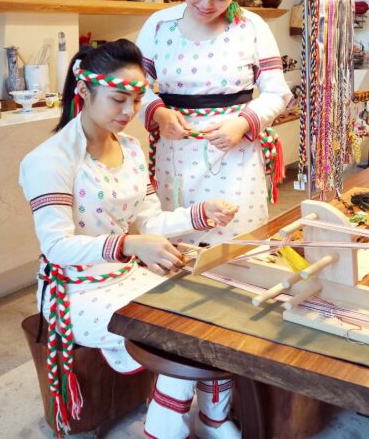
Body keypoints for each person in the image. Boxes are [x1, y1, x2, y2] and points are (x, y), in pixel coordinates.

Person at [18, 40, 239, 438]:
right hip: (75, 291)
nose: (129, 112)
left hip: (126, 274)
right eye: (118, 100)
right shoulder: (49, 161)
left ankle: (212, 418)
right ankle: (164, 429)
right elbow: (56, 247)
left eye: (136, 101)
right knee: (176, 329)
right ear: (84, 91)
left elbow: (148, 221)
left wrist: (200, 213)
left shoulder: (132, 149)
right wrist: (127, 245)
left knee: (213, 303)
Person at [137, 0, 293, 249]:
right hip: (176, 153)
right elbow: (135, 86)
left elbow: (277, 92)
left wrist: (243, 124)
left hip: (235, 154)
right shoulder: (159, 25)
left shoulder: (252, 27)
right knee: (177, 242)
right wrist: (159, 112)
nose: (207, 4)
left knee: (235, 243)